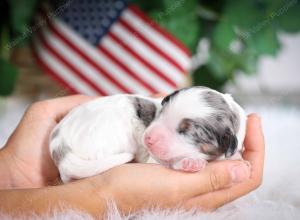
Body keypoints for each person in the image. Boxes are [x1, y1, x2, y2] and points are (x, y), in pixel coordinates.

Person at [0, 95, 264, 218]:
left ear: (227, 145)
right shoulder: (141, 120)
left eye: (184, 132)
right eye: (162, 113)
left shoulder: (224, 139)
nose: (151, 135)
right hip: (80, 143)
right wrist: (97, 195)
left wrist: (13, 173)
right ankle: (78, 168)